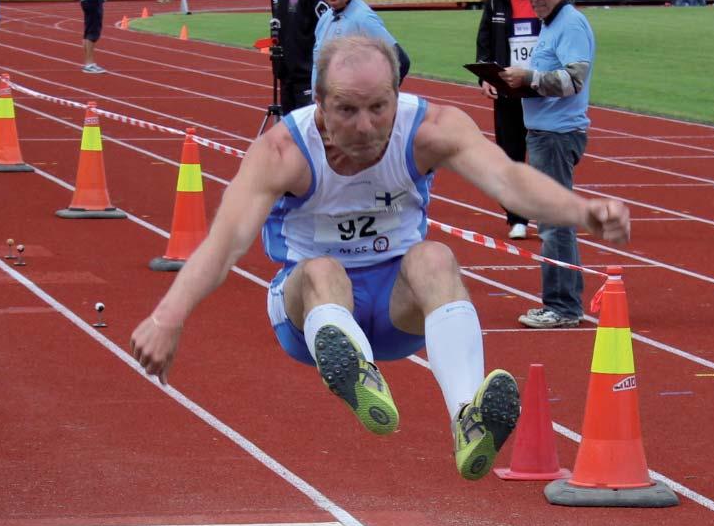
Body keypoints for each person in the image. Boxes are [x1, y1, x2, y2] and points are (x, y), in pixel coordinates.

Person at [130, 35, 630, 481]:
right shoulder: (283, 151)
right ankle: (355, 372)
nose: (366, 126)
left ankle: (468, 417)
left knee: (435, 257)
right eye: (347, 110)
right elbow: (225, 243)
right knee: (324, 270)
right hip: (309, 309)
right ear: (319, 105)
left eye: (378, 107)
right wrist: (167, 318)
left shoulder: (432, 128)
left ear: (397, 95)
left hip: (396, 305)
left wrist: (581, 210)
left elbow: (510, 181)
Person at [502, 0, 595, 329]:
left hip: (557, 134)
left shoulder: (570, 24)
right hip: (544, 131)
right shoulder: (552, 24)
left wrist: (531, 78)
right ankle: (564, 302)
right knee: (553, 219)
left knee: (554, 222)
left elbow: (575, 80)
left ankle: (563, 306)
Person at [476, 0, 540, 241]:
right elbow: (484, 41)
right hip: (507, 91)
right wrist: (485, 77)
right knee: (510, 156)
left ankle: (549, 215)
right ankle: (517, 217)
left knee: (543, 156)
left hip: (541, 91)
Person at [310, 0, 410, 91]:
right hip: (325, 107)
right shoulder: (325, 18)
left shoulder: (362, 18)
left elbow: (401, 60)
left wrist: (376, 98)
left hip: (349, 108)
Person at [269, 0, 324, 115]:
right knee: (289, 129)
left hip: (307, 76)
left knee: (309, 128)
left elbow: (326, 27)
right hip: (285, 75)